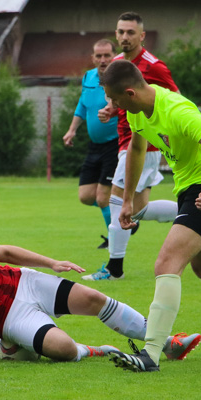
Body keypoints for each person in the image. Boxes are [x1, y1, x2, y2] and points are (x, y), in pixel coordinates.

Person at [100, 60, 201, 372]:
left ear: (130, 93)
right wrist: (128, 198)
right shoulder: (137, 112)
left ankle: (150, 354)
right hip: (189, 190)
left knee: (166, 262)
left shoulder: (176, 110)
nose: (112, 105)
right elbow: (136, 150)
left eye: (114, 99)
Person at [0, 234, 201, 365]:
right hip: (9, 319)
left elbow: (6, 253)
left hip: (24, 283)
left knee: (93, 297)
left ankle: (167, 344)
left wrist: (51, 263)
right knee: (62, 349)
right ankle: (95, 350)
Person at [83, 12, 179, 281]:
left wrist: (167, 132)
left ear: (142, 36)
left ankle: (115, 270)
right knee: (137, 209)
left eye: (130, 32)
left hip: (142, 145)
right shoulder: (116, 64)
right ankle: (189, 212)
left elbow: (176, 100)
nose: (125, 37)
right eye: (121, 32)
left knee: (116, 201)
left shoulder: (154, 67)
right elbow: (117, 102)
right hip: (125, 141)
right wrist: (109, 111)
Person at [62, 38, 120, 249]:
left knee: (103, 198)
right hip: (94, 146)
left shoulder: (121, 78)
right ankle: (121, 214)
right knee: (86, 196)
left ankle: (114, 240)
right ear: (93, 58)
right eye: (99, 56)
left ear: (115, 55)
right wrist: (72, 129)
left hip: (115, 144)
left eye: (107, 55)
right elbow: (83, 105)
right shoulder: (88, 77)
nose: (103, 60)